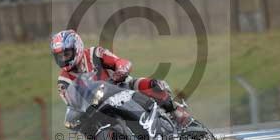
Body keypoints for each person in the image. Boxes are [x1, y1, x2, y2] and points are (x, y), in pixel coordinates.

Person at [50, 29, 192, 127]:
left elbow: (121, 62)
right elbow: (73, 104)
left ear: (77, 47)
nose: (63, 59)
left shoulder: (95, 53)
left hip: (121, 87)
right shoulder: (63, 82)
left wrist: (121, 71)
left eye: (66, 54)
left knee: (148, 84)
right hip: (100, 111)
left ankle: (175, 111)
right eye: (60, 56)